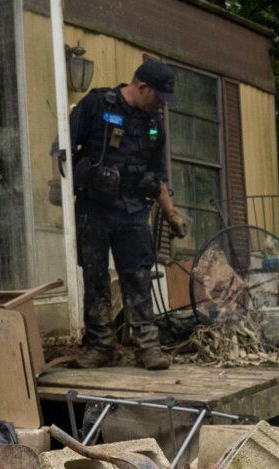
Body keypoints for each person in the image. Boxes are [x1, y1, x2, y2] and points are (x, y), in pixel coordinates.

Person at [66, 59, 189, 370]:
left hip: (134, 210)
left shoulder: (154, 125)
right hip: (94, 209)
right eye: (158, 97)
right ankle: (101, 346)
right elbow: (63, 147)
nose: (161, 104)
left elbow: (158, 174)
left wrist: (171, 213)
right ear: (142, 87)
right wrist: (61, 183)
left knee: (138, 277)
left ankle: (148, 348)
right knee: (94, 277)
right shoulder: (97, 103)